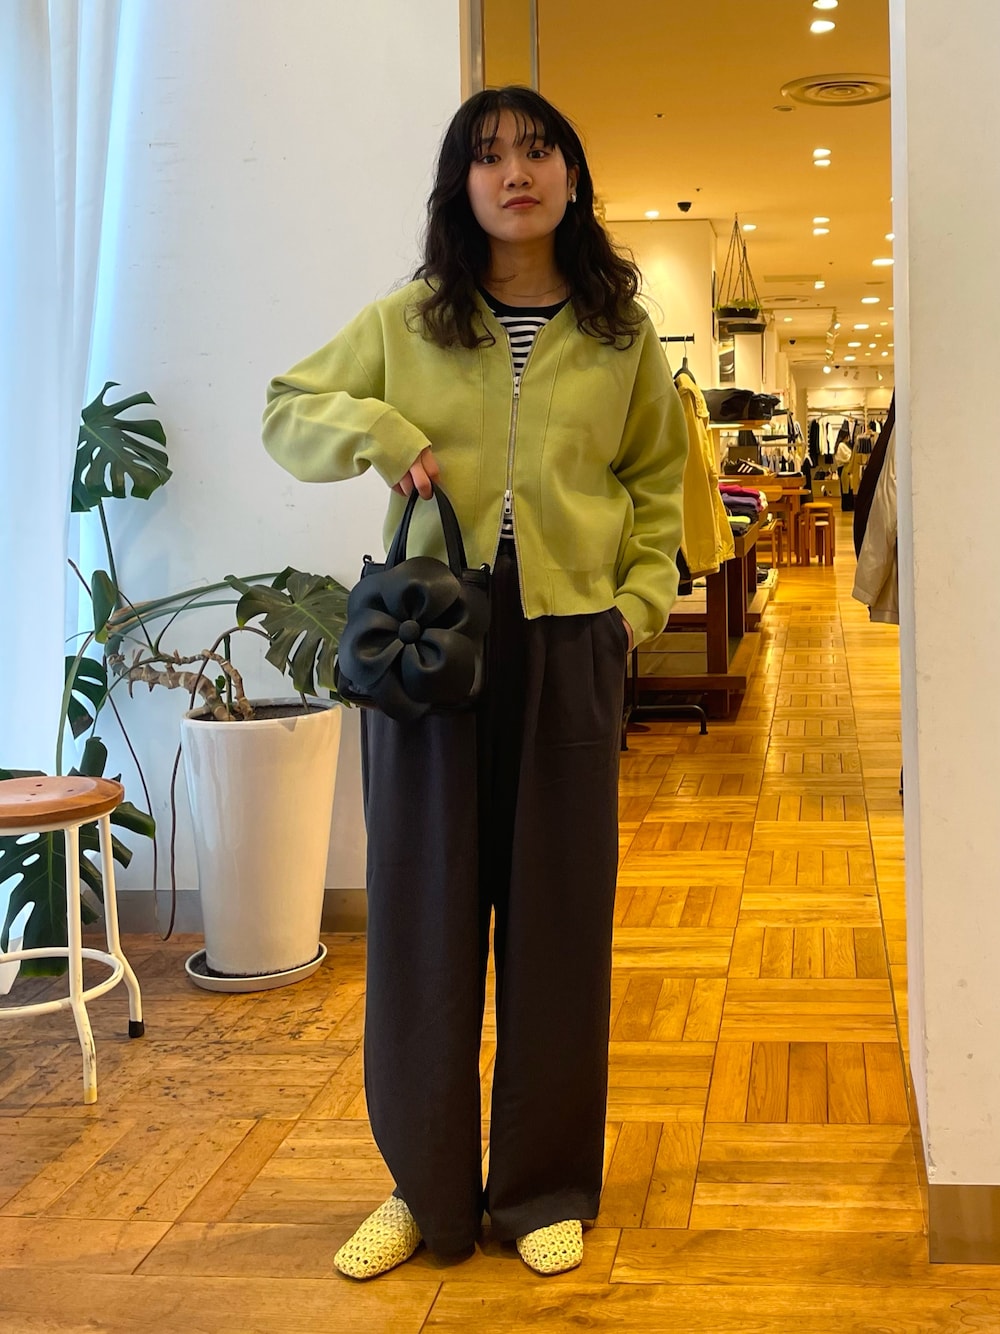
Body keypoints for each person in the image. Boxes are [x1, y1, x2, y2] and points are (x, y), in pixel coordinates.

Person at [262, 85, 687, 1279]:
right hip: (428, 650)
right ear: (461, 183)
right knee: (420, 922)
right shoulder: (406, 321)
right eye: (490, 155)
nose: (516, 173)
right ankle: (424, 1188)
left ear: (572, 177)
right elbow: (288, 408)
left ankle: (541, 1183)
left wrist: (633, 611)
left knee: (558, 924)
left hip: (568, 646)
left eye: (539, 151)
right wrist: (384, 437)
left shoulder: (619, 334)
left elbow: (661, 485)